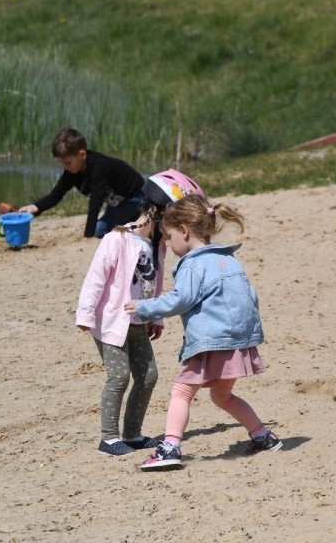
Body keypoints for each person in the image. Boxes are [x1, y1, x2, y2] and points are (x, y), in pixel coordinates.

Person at [125, 193, 282, 471]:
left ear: (184, 231)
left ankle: (170, 447)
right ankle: (263, 436)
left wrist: (144, 307)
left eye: (169, 236)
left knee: (181, 393)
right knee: (222, 397)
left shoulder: (193, 264)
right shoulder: (230, 260)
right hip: (237, 342)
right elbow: (251, 296)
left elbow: (180, 299)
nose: (169, 244)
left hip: (210, 342)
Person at [77, 169, 206, 456]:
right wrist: (85, 315)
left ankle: (132, 434)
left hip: (137, 321)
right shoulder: (118, 238)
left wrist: (155, 317)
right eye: (174, 222)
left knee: (148, 376)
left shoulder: (156, 247)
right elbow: (95, 279)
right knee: (119, 377)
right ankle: (108, 438)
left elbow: (155, 286)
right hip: (110, 321)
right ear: (155, 214)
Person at [18, 127, 146, 238]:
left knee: (100, 232)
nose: (65, 167)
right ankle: (137, 219)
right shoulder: (72, 172)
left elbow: (96, 201)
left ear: (82, 154)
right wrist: (35, 207)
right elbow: (56, 195)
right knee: (102, 230)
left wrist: (88, 234)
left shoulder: (99, 166)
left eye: (68, 162)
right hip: (116, 204)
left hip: (134, 197)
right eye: (62, 163)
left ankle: (144, 215)